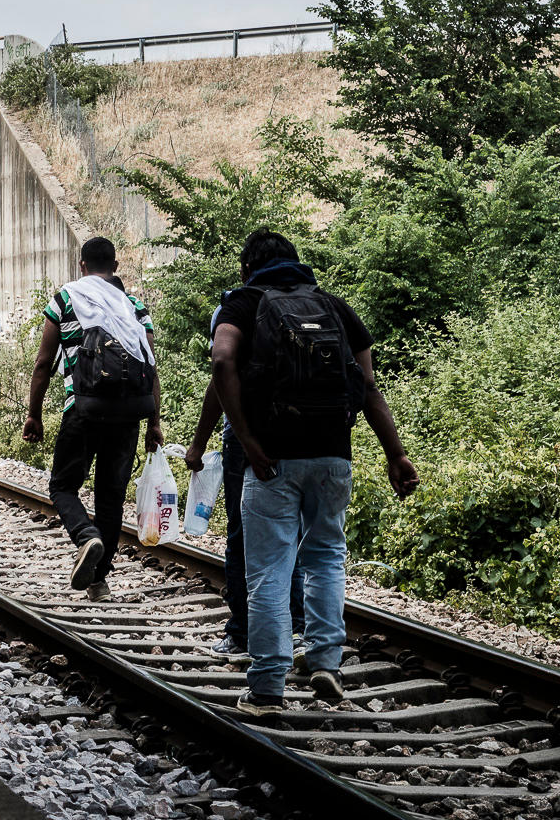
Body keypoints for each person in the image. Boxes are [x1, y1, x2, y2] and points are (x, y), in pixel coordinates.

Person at [211, 228, 417, 715]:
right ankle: (325, 661)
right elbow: (367, 385)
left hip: (272, 460)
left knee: (268, 568)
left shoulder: (243, 304)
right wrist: (396, 453)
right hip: (332, 457)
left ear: (247, 269)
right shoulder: (333, 306)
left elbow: (222, 360)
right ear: (296, 264)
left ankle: (266, 687)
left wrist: (246, 440)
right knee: (325, 557)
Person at [24, 237, 162, 602]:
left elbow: (42, 364)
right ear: (115, 267)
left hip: (83, 410)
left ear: (81, 265)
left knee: (63, 487)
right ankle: (99, 582)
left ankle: (87, 537)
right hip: (130, 414)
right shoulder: (133, 306)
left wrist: (33, 414)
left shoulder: (66, 298)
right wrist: (154, 423)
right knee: (111, 498)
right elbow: (150, 366)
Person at [185, 291, 305, 662]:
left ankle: (242, 633)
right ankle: (298, 628)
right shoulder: (305, 304)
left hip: (243, 434)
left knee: (242, 533)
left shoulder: (235, 308)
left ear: (247, 269)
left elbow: (221, 374)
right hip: (301, 429)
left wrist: (198, 443)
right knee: (294, 532)